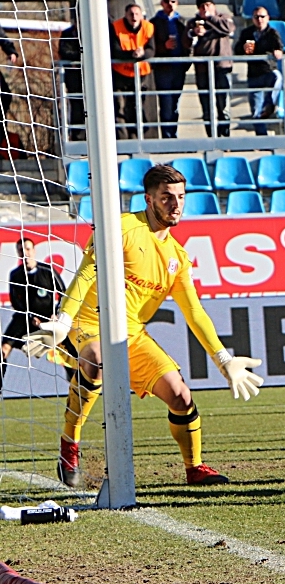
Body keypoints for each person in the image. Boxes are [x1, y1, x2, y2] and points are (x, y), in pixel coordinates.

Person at [23, 165, 264, 488]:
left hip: (131, 334)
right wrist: (63, 320)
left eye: (180, 197)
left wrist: (223, 359)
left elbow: (194, 311)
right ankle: (71, 444)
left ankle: (195, 468)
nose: (175, 205)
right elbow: (87, 273)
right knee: (95, 357)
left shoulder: (176, 256)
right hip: (87, 322)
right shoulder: (120, 228)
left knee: (180, 395)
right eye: (166, 198)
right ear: (149, 199)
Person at [2, 237, 69, 383]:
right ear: (18, 253)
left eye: (27, 249)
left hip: (48, 318)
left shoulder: (47, 270)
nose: (25, 252)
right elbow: (15, 302)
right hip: (25, 319)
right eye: (21, 250)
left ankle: (76, 380)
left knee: (67, 348)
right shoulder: (15, 275)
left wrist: (57, 313)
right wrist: (30, 316)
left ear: (33, 251)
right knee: (3, 349)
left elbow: (63, 292)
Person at [186, 0, 234, 138]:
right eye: (202, 6)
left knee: (223, 105)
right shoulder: (193, 22)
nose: (205, 8)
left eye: (208, 5)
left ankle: (225, 138)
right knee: (207, 107)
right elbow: (185, 41)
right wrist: (193, 33)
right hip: (202, 69)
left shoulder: (223, 18)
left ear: (214, 6)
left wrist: (210, 18)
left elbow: (228, 28)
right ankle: (211, 139)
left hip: (222, 67)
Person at [233, 7, 285, 136]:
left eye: (262, 17)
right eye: (256, 17)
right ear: (252, 19)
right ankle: (262, 137)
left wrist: (278, 52)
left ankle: (270, 104)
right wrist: (243, 49)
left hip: (268, 70)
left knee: (277, 77)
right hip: (254, 73)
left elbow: (279, 47)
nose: (259, 20)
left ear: (267, 18)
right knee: (256, 111)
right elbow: (237, 50)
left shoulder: (272, 33)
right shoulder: (247, 33)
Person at [109, 3, 155, 141]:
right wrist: (132, 55)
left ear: (141, 16)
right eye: (131, 14)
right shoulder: (116, 27)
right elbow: (115, 50)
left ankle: (137, 138)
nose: (134, 17)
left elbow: (152, 50)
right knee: (119, 107)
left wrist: (142, 54)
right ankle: (122, 140)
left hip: (140, 74)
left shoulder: (148, 27)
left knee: (136, 107)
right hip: (120, 74)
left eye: (136, 14)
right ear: (126, 15)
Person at [151, 0, 190, 140]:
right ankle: (167, 137)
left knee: (175, 103)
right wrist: (163, 46)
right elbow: (151, 46)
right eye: (167, 1)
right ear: (161, 3)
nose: (170, 4)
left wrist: (187, 61)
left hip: (179, 67)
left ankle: (173, 134)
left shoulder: (183, 23)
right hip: (163, 68)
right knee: (166, 103)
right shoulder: (154, 22)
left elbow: (189, 44)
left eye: (173, 1)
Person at [58, 18, 84, 141]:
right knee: (76, 107)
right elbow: (64, 51)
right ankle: (78, 136)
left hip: (92, 79)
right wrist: (81, 56)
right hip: (74, 78)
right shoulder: (67, 34)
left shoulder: (93, 32)